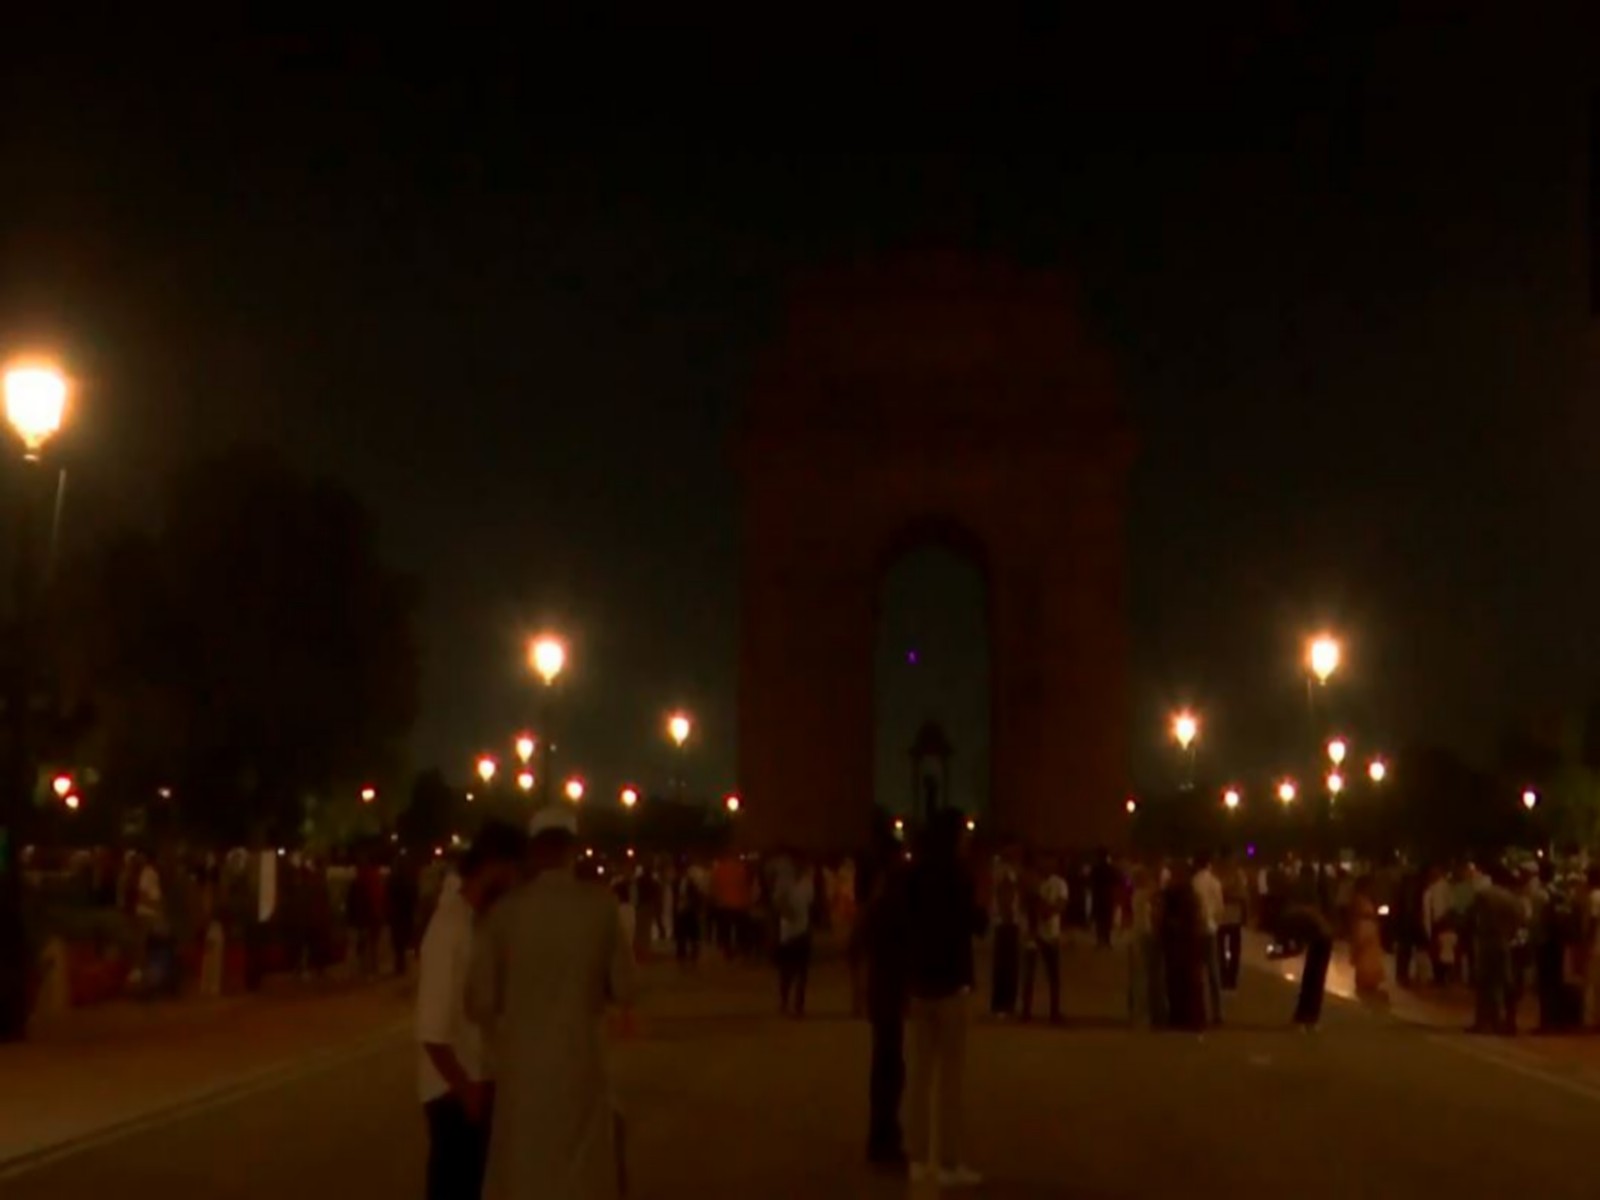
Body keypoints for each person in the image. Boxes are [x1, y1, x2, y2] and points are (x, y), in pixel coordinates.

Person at [468, 805, 637, 1200]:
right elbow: (626, 987)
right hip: (582, 1064)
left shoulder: (505, 913)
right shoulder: (601, 907)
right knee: (581, 1174)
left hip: (521, 1070)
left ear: (534, 852)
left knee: (525, 1171)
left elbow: (479, 1000)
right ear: (572, 850)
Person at [416, 823, 527, 1200]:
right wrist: (467, 1091)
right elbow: (432, 1030)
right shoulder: (449, 928)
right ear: (496, 866)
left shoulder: (476, 924)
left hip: (474, 1088)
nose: (516, 885)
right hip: (454, 1096)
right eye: (514, 873)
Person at [902, 808, 982, 1189]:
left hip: (920, 984)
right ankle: (949, 1162)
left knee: (919, 1077)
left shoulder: (914, 875)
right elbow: (975, 924)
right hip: (952, 984)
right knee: (951, 1081)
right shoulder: (958, 877)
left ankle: (918, 1158)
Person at [852, 814, 909, 1171]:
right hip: (888, 991)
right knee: (889, 1069)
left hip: (883, 990)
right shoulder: (889, 902)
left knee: (887, 1067)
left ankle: (883, 1135)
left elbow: (855, 949)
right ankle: (883, 1137)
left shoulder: (878, 901)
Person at [1159, 860, 1205, 1031]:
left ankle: (1180, 1017)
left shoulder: (1174, 895)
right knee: (1188, 982)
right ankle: (1191, 1017)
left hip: (1179, 943)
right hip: (1188, 943)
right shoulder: (1191, 895)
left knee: (1177, 982)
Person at [1021, 856, 1067, 1023]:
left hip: (1049, 933)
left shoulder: (1058, 884)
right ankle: (1027, 1010)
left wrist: (1046, 910)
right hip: (1036, 932)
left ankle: (1053, 1011)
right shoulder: (1036, 882)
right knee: (1030, 974)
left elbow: (1060, 905)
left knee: (1052, 976)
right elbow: (1029, 904)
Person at [773, 852, 815, 1017]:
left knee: (802, 973)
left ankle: (798, 1005)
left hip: (802, 930)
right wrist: (786, 911)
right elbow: (777, 903)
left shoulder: (807, 883)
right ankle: (784, 1002)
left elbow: (810, 905)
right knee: (787, 972)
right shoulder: (784, 883)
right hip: (788, 933)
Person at [1191, 853, 1225, 1023]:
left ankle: (1198, 1010)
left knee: (1196, 971)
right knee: (1213, 971)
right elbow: (1220, 907)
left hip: (1195, 929)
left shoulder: (1193, 882)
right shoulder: (1215, 883)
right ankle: (1218, 1012)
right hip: (1211, 929)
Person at [989, 851, 1022, 1017]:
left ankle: (1001, 1004)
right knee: (1007, 965)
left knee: (1003, 965)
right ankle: (1004, 1004)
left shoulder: (999, 869)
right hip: (1007, 923)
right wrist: (1008, 915)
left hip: (1004, 922)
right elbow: (1006, 893)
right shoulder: (1007, 871)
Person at [1349, 876, 1388, 1002]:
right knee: (1364, 954)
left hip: (1370, 927)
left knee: (1371, 954)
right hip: (1364, 927)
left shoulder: (1368, 899)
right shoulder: (1358, 899)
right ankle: (1365, 980)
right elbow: (1356, 914)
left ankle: (1371, 980)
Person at [1089, 849, 1119, 950]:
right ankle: (1107, 940)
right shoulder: (1111, 868)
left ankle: (1099, 941)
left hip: (1098, 895)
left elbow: (1090, 880)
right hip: (1108, 895)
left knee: (1099, 919)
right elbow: (1117, 879)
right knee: (1107, 919)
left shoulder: (1095, 868)